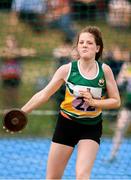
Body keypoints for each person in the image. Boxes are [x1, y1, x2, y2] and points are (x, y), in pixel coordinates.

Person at [21, 26, 121, 179]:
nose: (84, 45)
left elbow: (116, 101)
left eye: (89, 42)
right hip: (66, 125)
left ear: (97, 48)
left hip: (91, 127)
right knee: (53, 177)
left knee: (82, 176)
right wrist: (22, 112)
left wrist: (95, 102)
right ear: (77, 47)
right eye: (81, 42)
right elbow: (44, 94)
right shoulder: (66, 69)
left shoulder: (105, 70)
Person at [0, 35, 36, 108]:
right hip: (6, 77)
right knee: (6, 97)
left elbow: (32, 52)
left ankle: (14, 109)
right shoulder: (3, 50)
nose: (11, 44)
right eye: (9, 42)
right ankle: (7, 110)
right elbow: (4, 53)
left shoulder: (19, 51)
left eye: (13, 42)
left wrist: (17, 52)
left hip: (15, 76)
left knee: (15, 96)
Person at [108, 51, 131, 162]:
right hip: (128, 105)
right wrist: (124, 80)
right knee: (120, 129)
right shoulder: (127, 66)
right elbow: (119, 83)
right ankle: (113, 155)